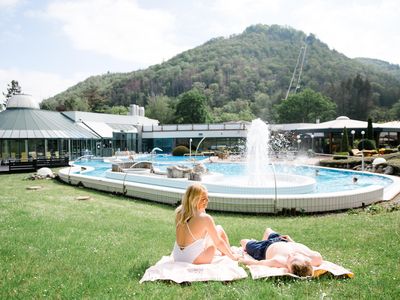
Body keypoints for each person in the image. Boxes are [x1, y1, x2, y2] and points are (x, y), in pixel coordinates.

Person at [172, 183, 240, 264]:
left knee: (213, 231)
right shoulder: (205, 218)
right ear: (194, 200)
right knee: (218, 230)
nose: (207, 201)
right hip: (194, 259)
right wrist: (233, 258)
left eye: (207, 198)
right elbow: (218, 242)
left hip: (177, 256)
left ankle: (226, 252)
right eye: (203, 199)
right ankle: (230, 254)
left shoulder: (180, 212)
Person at [240, 227, 323, 277]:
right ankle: (261, 241)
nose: (290, 255)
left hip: (263, 248)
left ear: (288, 268)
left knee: (243, 241)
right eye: (295, 255)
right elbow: (296, 247)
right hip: (282, 240)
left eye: (289, 259)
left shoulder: (278, 261)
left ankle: (258, 242)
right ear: (306, 261)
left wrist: (241, 260)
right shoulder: (315, 257)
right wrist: (291, 241)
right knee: (268, 230)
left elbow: (258, 263)